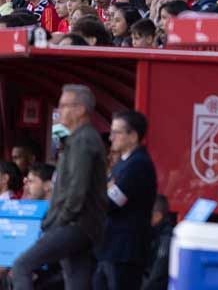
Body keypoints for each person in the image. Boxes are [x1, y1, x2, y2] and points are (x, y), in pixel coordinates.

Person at [12, 84, 108, 290]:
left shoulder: (83, 140)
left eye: (65, 105)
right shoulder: (82, 138)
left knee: (21, 267)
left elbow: (77, 190)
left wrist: (57, 222)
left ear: (81, 109)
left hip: (74, 225)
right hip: (83, 226)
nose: (59, 110)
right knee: (76, 282)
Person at [95, 109, 158, 290]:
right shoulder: (123, 163)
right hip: (110, 248)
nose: (111, 138)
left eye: (116, 133)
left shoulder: (138, 164)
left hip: (125, 251)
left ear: (133, 136)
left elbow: (111, 202)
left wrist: (106, 190)